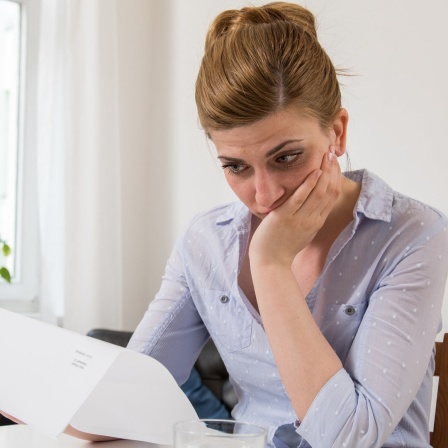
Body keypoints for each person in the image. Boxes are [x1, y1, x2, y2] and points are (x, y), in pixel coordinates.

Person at [2, 2, 447, 447]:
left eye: (286, 157)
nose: (265, 194)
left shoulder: (412, 234)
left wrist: (270, 265)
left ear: (337, 132)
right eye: (236, 167)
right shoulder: (206, 243)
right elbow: (126, 403)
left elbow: (349, 438)